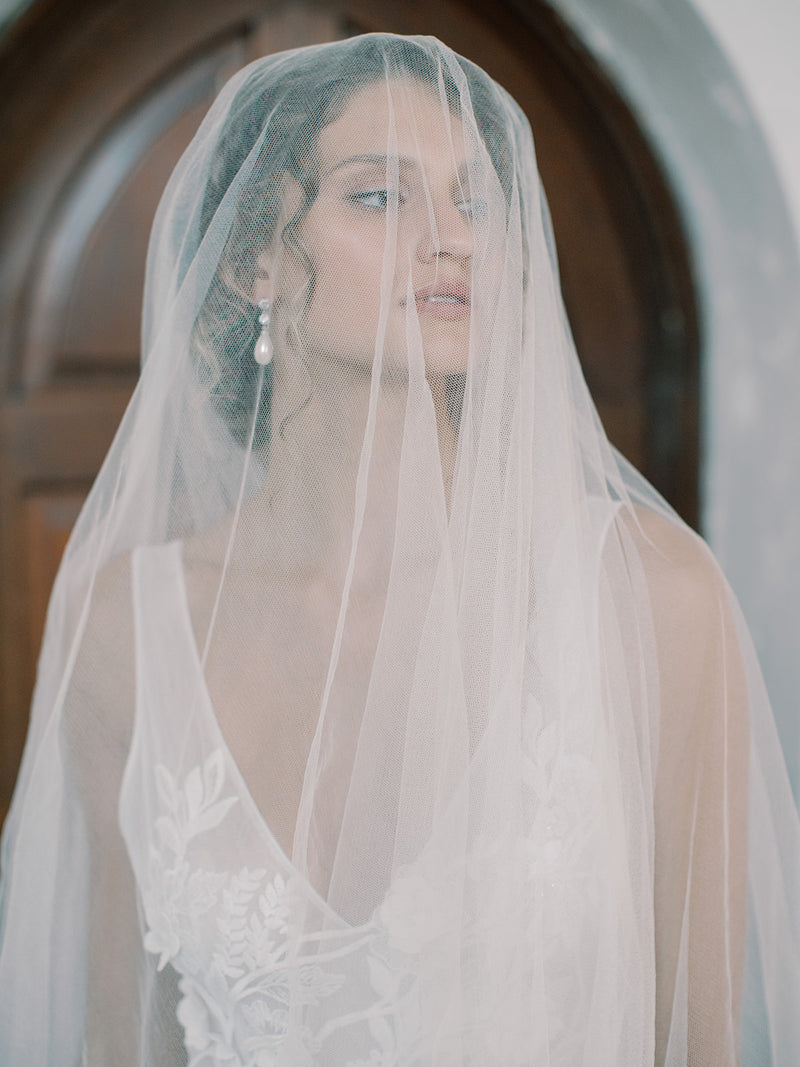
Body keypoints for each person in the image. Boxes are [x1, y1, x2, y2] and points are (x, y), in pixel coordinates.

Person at [0, 32, 797, 1066]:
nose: (450, 238)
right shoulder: (125, 625)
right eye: (379, 197)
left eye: (474, 199)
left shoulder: (649, 598)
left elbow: (696, 1043)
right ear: (251, 260)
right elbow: (119, 1038)